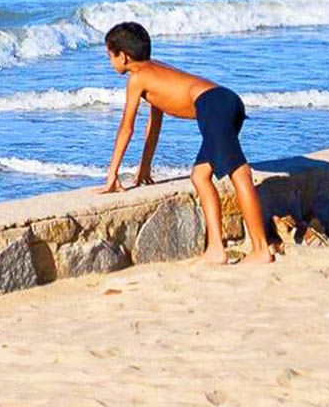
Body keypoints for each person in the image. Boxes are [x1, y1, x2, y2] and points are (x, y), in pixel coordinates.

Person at [96, 21, 273, 264]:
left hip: (212, 105)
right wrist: (145, 166)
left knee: (239, 173)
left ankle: (261, 249)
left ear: (124, 57)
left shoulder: (137, 79)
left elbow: (127, 127)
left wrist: (112, 174)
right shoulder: (156, 71)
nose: (110, 62)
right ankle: (215, 249)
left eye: (110, 56)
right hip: (225, 101)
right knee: (200, 176)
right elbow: (154, 123)